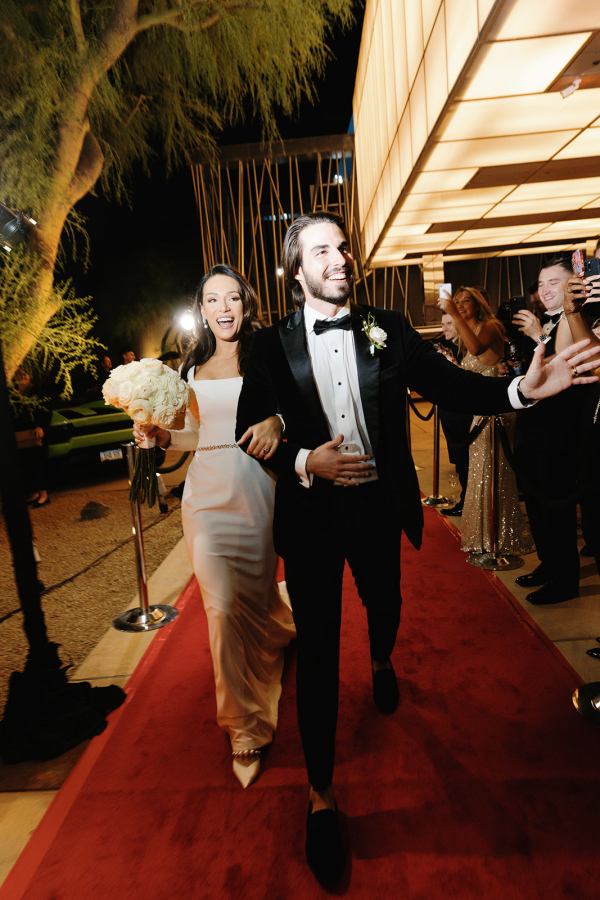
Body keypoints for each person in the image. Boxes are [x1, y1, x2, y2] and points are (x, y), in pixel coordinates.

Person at [234, 211, 600, 886]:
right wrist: (308, 460)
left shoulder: (390, 329)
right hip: (312, 519)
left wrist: (521, 390)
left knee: (387, 604)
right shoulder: (269, 345)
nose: (341, 259)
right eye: (323, 251)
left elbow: (452, 385)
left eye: (343, 248)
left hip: (377, 509)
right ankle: (320, 797)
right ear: (297, 270)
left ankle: (380, 658)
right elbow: (248, 431)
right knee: (316, 650)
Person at [135, 264, 295, 788]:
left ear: (245, 305)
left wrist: (278, 422)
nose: (223, 308)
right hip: (203, 498)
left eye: (232, 299)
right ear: (201, 310)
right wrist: (159, 438)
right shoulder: (191, 366)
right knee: (220, 609)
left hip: (256, 491)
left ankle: (275, 630)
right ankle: (242, 725)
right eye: (212, 300)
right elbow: (190, 436)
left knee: (252, 597)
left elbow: (297, 410)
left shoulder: (267, 353)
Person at [512, 256, 600, 603]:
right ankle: (549, 565)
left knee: (557, 509)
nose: (545, 289)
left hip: (561, 432)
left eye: (554, 283)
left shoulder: (575, 318)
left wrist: (538, 336)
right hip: (537, 427)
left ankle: (563, 580)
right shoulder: (550, 320)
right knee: (536, 503)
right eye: (541, 283)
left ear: (572, 285)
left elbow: (560, 367)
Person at [439, 286, 535, 556]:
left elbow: (476, 348)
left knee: (495, 476)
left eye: (464, 301)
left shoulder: (490, 326)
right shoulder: (467, 331)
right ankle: (483, 536)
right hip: (480, 414)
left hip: (497, 412)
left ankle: (502, 538)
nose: (459, 305)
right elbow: (473, 370)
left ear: (478, 302)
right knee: (479, 475)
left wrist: (454, 315)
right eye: (455, 301)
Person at [433, 313, 472, 515]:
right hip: (448, 411)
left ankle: (467, 502)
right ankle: (465, 499)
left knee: (466, 461)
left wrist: (451, 362)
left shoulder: (468, 346)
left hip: (464, 414)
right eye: (443, 324)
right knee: (459, 461)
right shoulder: (441, 345)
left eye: (449, 323)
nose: (445, 328)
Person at [12, 368, 51, 509]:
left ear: (30, 377)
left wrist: (41, 426)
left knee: (38, 463)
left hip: (35, 434)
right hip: (21, 436)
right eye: (19, 375)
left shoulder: (37, 392)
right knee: (26, 464)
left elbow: (45, 410)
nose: (22, 377)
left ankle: (43, 495)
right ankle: (33, 493)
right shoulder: (14, 394)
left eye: (24, 374)